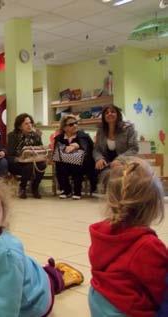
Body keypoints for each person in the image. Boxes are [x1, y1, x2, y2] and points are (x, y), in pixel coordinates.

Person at [0, 172, 84, 316]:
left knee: (46, 281)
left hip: (31, 302)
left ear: (3, 218)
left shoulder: (5, 252)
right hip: (5, 285)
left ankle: (55, 275)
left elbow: (8, 307)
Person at [88, 157, 167, 317]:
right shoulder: (148, 245)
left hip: (99, 302)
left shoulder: (101, 232)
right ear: (153, 206)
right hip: (124, 309)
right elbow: (160, 290)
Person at [93, 104, 139, 187]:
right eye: (106, 113)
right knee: (99, 169)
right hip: (107, 162)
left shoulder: (128, 128)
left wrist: (119, 160)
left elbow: (134, 148)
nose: (109, 114)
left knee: (119, 172)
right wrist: (99, 158)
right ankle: (109, 192)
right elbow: (96, 149)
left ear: (118, 114)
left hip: (125, 160)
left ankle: (123, 192)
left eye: (112, 112)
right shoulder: (101, 131)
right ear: (104, 117)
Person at [53, 115, 95, 200]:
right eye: (71, 124)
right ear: (64, 128)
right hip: (65, 164)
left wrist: (76, 146)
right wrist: (65, 149)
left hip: (83, 163)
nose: (75, 125)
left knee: (75, 163)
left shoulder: (83, 135)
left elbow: (86, 149)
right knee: (59, 163)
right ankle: (66, 190)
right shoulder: (59, 138)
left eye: (76, 123)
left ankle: (77, 190)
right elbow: (56, 152)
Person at [7, 113, 46, 199]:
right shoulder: (12, 135)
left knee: (42, 165)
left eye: (30, 123)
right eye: (26, 123)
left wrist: (38, 137)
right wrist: (21, 158)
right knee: (29, 165)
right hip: (16, 162)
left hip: (32, 161)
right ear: (19, 126)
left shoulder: (35, 135)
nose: (29, 125)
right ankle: (22, 188)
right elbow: (10, 153)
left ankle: (35, 187)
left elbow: (40, 150)